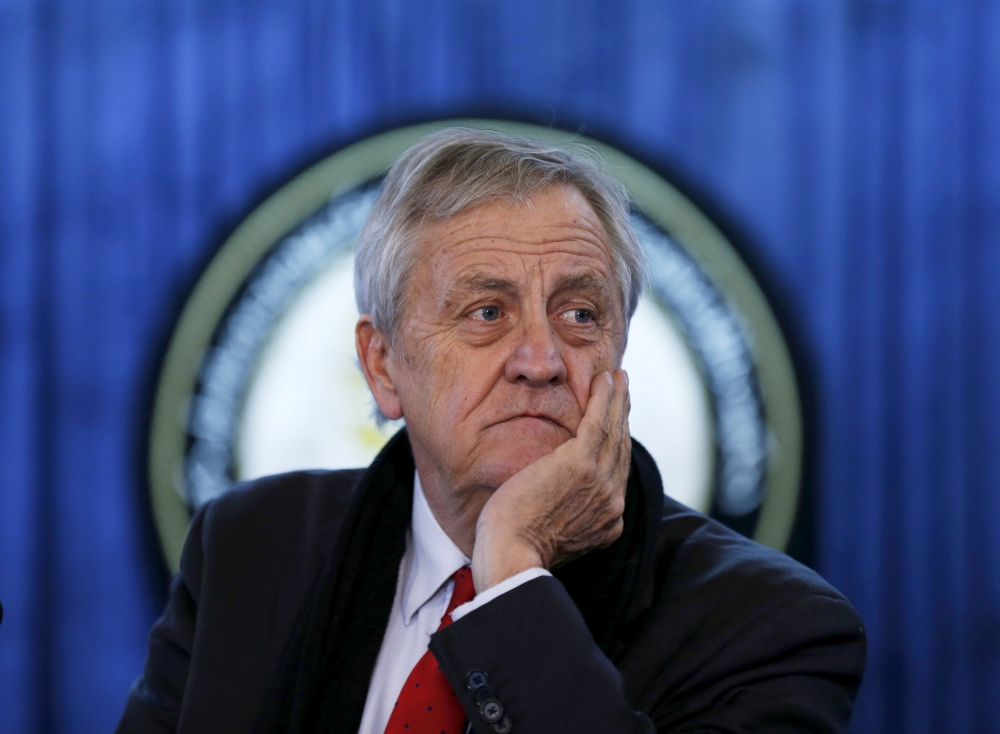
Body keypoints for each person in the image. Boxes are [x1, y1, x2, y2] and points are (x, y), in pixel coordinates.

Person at [117, 128, 866, 734]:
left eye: (579, 314)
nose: (541, 361)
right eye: (487, 312)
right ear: (383, 367)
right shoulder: (249, 549)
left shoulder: (773, 627)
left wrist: (510, 576)